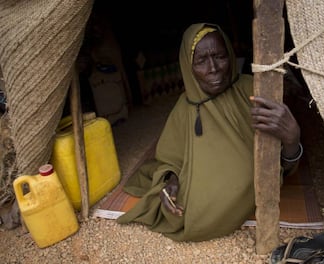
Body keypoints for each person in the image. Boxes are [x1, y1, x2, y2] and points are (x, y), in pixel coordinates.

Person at [116, 22, 302, 242]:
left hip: (252, 188)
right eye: (201, 61)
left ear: (231, 55)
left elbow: (283, 164)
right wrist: (171, 180)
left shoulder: (253, 90)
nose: (213, 68)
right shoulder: (185, 107)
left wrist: (293, 139)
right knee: (176, 207)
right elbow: (170, 158)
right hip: (205, 194)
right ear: (188, 66)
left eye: (220, 56)